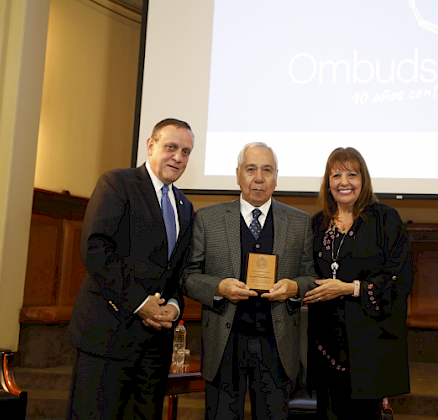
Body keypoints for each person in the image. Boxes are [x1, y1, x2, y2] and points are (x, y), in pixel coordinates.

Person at [66, 118, 195, 420]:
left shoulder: (185, 206)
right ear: (151, 146)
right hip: (108, 336)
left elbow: (176, 269)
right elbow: (96, 248)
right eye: (171, 147)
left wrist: (174, 306)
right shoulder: (117, 183)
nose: (178, 157)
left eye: (186, 152)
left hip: (155, 347)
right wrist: (141, 303)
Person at [181, 142, 316, 420]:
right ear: (238, 174)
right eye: (251, 169)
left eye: (267, 170)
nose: (259, 178)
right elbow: (188, 276)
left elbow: (311, 277)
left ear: (276, 176)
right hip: (224, 341)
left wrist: (294, 288)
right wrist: (218, 288)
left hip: (277, 344)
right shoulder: (208, 219)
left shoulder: (300, 222)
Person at [303, 147, 414, 420]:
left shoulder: (385, 219)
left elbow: (399, 276)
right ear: (327, 182)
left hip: (370, 345)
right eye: (336, 174)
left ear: (363, 180)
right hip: (326, 342)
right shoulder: (318, 223)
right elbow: (306, 272)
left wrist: (350, 287)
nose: (344, 182)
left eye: (352, 174)